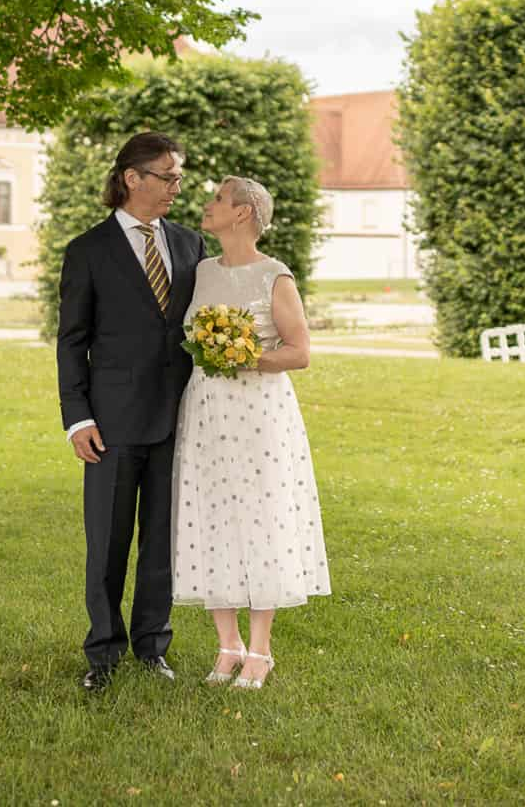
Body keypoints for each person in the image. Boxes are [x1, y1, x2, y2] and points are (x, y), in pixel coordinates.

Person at [57, 132, 206, 691]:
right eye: (166, 176)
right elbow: (72, 341)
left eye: (179, 177)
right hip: (111, 422)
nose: (176, 187)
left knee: (162, 541)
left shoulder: (191, 244)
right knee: (108, 541)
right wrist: (78, 417)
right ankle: (103, 652)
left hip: (179, 417)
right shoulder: (88, 250)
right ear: (132, 178)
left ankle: (152, 648)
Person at [171, 176, 330, 690]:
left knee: (262, 517)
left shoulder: (275, 277)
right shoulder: (201, 273)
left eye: (217, 198)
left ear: (242, 214)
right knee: (211, 513)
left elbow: (299, 352)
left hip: (260, 413)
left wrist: (245, 357)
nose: (207, 204)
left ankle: (260, 651)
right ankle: (226, 646)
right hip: (207, 412)